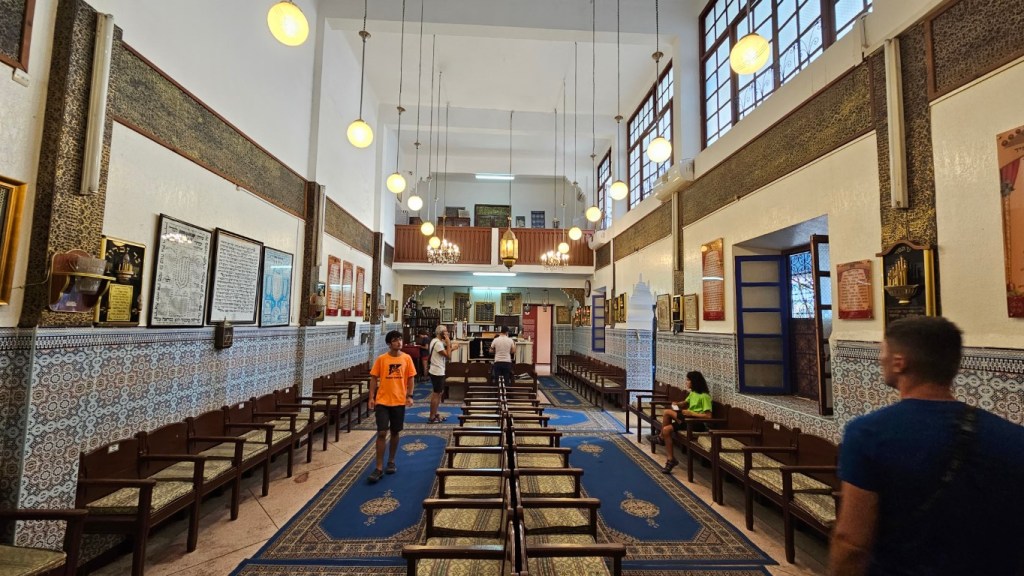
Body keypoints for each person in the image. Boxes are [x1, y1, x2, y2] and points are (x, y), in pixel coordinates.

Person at [830, 316, 1024, 576]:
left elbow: (851, 543)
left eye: (884, 352)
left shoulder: (869, 434)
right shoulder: (1013, 437)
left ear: (899, 362)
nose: (880, 359)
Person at [367, 330, 417, 483]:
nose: (399, 342)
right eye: (395, 340)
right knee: (382, 432)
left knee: (395, 432)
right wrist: (371, 397)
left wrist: (409, 395)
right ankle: (378, 467)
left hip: (398, 401)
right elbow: (374, 378)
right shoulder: (382, 359)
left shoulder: (407, 358)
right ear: (389, 343)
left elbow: (411, 378)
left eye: (400, 339)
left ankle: (391, 461)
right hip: (382, 401)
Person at [648, 371, 712, 473]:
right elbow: (685, 403)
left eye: (688, 380)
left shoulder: (705, 396)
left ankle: (660, 438)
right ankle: (671, 460)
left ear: (695, 381)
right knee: (666, 430)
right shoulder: (693, 393)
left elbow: (708, 416)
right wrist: (678, 404)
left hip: (697, 424)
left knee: (667, 412)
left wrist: (692, 413)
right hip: (687, 421)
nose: (686, 382)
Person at [426, 324, 460, 423]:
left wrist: (452, 348)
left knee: (439, 393)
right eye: (446, 331)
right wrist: (449, 343)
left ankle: (435, 413)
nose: (447, 333)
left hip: (436, 370)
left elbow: (443, 353)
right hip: (437, 371)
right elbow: (448, 356)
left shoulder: (435, 341)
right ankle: (432, 417)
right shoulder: (438, 343)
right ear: (441, 333)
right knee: (436, 394)